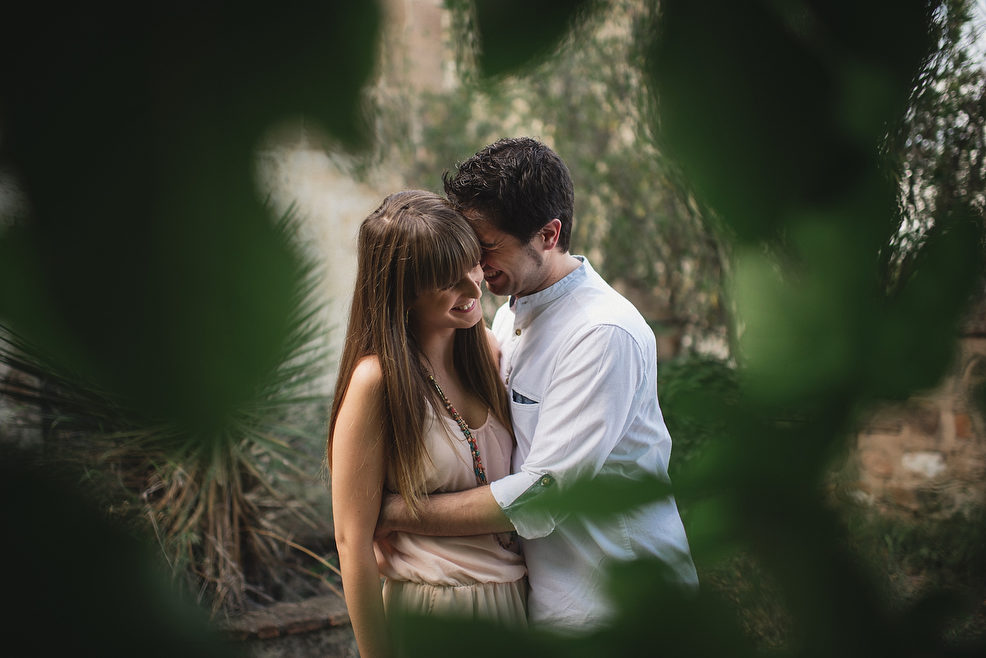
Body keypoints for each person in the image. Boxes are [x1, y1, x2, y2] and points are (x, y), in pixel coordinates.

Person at [377, 138, 699, 632]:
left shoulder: (600, 332)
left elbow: (541, 496)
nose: (474, 265)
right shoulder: (507, 319)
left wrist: (397, 512)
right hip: (549, 608)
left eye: (485, 247)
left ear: (549, 235)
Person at [327, 190, 527, 658]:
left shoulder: (489, 356)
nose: (474, 288)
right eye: (447, 279)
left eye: (473, 265)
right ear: (404, 290)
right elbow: (350, 541)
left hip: (512, 608)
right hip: (432, 612)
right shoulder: (378, 382)